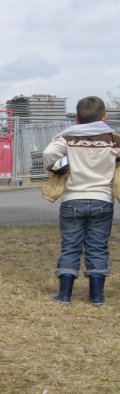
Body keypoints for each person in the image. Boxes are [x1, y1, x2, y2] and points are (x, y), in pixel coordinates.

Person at [43, 96, 120, 307]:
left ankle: (64, 295)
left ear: (77, 119)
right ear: (105, 117)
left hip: (72, 200)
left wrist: (62, 167)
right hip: (103, 200)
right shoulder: (113, 139)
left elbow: (48, 154)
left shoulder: (67, 138)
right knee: (97, 247)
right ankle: (97, 297)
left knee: (70, 246)